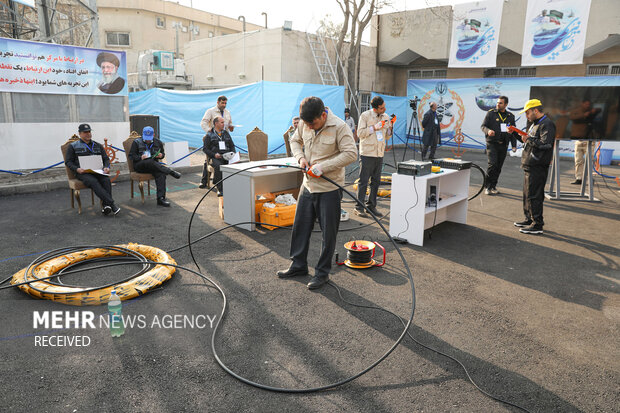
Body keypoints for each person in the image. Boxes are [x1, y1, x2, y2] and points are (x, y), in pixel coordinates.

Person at [277, 97, 357, 290]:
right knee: (300, 227)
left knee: (328, 233)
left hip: (329, 189)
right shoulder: (305, 123)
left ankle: (322, 273)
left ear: (323, 115)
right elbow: (294, 140)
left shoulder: (339, 126)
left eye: (312, 123)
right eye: (306, 124)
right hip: (308, 186)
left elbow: (351, 153)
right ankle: (298, 265)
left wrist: (324, 167)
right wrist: (301, 158)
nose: (309, 128)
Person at [513, 99, 556, 235]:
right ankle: (529, 219)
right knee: (528, 194)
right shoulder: (535, 124)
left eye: (527, 113)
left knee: (535, 195)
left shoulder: (547, 124)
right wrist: (514, 133)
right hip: (530, 164)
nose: (526, 115)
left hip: (537, 165)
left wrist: (529, 139)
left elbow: (546, 144)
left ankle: (537, 224)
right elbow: (527, 140)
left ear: (535, 110)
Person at [65, 124, 120, 215]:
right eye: (85, 132)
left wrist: (106, 167)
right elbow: (68, 162)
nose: (88, 134)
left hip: (97, 170)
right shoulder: (73, 146)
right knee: (93, 181)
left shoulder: (98, 145)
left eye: (89, 132)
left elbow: (106, 159)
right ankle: (112, 204)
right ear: (80, 133)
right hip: (82, 172)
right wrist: (77, 169)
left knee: (106, 180)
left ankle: (106, 206)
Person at [355, 96, 392, 217]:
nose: (384, 109)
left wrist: (390, 127)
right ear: (375, 109)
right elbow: (360, 133)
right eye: (382, 108)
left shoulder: (386, 117)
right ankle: (359, 207)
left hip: (379, 153)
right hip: (367, 153)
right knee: (363, 181)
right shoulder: (365, 116)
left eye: (384, 106)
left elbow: (386, 136)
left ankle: (371, 206)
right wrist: (374, 128)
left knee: (376, 182)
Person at [128, 126, 182, 207]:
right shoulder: (136, 142)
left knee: (161, 174)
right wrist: (140, 157)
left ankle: (161, 198)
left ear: (153, 135)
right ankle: (170, 171)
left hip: (154, 166)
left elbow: (163, 154)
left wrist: (160, 156)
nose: (147, 140)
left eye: (149, 138)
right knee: (149, 161)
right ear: (142, 135)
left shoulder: (158, 142)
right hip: (140, 166)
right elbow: (131, 156)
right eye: (146, 138)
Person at [480, 95, 519, 195]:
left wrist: (514, 145)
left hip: (504, 145)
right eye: (497, 102)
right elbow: (483, 126)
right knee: (492, 164)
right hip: (492, 143)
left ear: (505, 104)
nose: (498, 104)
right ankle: (487, 186)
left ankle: (493, 186)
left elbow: (513, 132)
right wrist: (488, 131)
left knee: (498, 167)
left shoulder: (510, 116)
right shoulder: (491, 113)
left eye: (500, 103)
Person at [200, 96, 234, 188]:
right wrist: (210, 131)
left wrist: (230, 128)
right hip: (213, 137)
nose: (224, 105)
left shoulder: (227, 112)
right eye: (222, 103)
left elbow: (229, 124)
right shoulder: (210, 111)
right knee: (210, 158)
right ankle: (204, 181)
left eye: (225, 103)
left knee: (224, 159)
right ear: (218, 102)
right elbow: (203, 122)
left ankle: (221, 181)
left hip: (224, 136)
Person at [202, 116, 236, 196]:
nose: (224, 124)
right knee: (219, 166)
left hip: (227, 156)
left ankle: (233, 185)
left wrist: (233, 154)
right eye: (222, 122)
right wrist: (214, 154)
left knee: (237, 164)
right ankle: (220, 188)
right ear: (216, 123)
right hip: (216, 157)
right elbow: (205, 149)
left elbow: (232, 145)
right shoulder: (209, 135)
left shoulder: (226, 133)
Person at [569, 100, 600, 185]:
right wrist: (584, 115)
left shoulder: (592, 112)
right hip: (579, 140)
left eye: (588, 104)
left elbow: (599, 110)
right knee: (578, 160)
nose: (587, 105)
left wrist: (591, 112)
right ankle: (579, 178)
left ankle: (589, 178)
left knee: (589, 160)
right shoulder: (577, 111)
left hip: (589, 140)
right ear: (582, 103)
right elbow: (572, 117)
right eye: (585, 104)